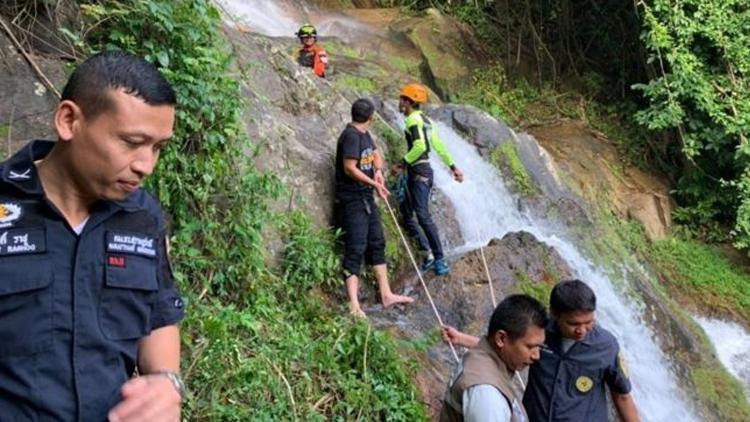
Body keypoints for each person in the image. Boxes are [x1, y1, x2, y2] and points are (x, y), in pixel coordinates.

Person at [0, 51, 185, 421]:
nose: (145, 165)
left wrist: (167, 383)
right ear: (69, 121)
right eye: (132, 142)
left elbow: (159, 311)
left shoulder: (142, 215)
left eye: (158, 148)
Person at [443, 280, 641, 422]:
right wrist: (462, 339)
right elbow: (510, 345)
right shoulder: (539, 333)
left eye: (589, 323)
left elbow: (622, 395)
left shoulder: (606, 346)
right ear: (555, 315)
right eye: (574, 324)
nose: (582, 331)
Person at [334, 98, 413, 318]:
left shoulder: (364, 134)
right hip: (352, 200)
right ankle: (354, 305)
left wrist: (377, 172)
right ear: (371, 118)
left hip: (366, 198)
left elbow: (375, 155)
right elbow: (349, 168)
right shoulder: (350, 136)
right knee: (356, 248)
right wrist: (374, 183)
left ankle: (386, 293)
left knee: (377, 243)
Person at [440, 294, 548, 422]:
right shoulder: (487, 396)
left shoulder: (482, 358)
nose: (537, 356)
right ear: (501, 339)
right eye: (530, 347)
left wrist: (461, 338)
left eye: (539, 347)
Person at [398, 83, 464, 276]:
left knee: (422, 215)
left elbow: (419, 146)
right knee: (407, 214)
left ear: (409, 102)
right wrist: (453, 167)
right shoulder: (427, 121)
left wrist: (402, 163)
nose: (400, 102)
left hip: (419, 174)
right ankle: (428, 254)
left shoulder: (412, 120)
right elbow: (438, 146)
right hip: (420, 173)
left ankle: (439, 258)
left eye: (402, 99)